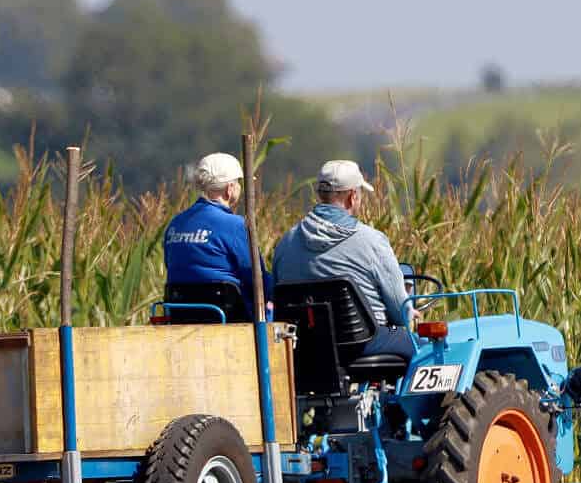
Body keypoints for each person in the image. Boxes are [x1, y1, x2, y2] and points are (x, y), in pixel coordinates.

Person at [272, 160, 417, 360]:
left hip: (306, 348)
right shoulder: (372, 241)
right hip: (364, 343)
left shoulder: (285, 243)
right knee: (427, 348)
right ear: (352, 196)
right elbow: (401, 314)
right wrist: (410, 314)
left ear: (320, 195)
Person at [163, 152, 272, 319]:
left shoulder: (175, 223)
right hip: (228, 317)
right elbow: (258, 281)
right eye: (238, 183)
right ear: (229, 189)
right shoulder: (235, 225)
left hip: (180, 316)